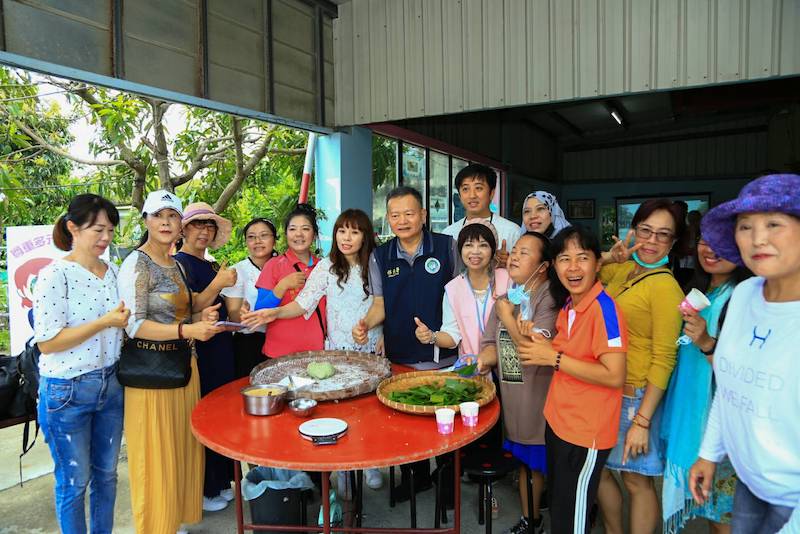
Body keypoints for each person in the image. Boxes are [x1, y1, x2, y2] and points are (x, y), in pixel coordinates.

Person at [689, 174, 800, 534]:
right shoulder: (745, 294)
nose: (758, 238)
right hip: (750, 485)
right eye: (745, 226)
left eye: (774, 224)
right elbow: (732, 387)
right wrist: (709, 452)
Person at [243, 209, 383, 491]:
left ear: (365, 236)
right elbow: (303, 303)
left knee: (369, 409)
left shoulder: (376, 263)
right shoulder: (327, 266)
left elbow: (385, 303)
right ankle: (344, 469)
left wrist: (376, 330)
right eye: (342, 231)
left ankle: (372, 462)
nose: (347, 237)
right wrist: (274, 313)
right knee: (342, 409)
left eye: (355, 232)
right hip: (337, 349)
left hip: (370, 346)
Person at [118, 190, 223, 534]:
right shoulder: (137, 262)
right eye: (158, 216)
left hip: (182, 368)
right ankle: (155, 526)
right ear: (146, 220)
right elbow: (133, 324)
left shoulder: (175, 263)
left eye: (172, 216)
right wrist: (187, 327)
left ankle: (172, 520)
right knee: (155, 456)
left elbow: (182, 311)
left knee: (179, 449)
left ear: (180, 225)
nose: (165, 222)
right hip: (151, 374)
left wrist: (199, 314)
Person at [517, 225, 628, 534]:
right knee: (562, 513)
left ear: (597, 263)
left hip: (585, 433)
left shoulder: (605, 311)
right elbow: (569, 355)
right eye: (565, 259)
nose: (574, 267)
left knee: (572, 523)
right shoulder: (570, 305)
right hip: (559, 423)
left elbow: (614, 374)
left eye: (583, 258)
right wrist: (542, 346)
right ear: (554, 266)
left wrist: (550, 357)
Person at [353, 185, 458, 501]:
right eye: (395, 215)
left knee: (445, 421)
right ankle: (417, 478)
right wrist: (365, 325)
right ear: (388, 218)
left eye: (409, 213)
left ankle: (447, 481)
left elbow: (461, 297)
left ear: (423, 215)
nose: (402, 220)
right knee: (407, 424)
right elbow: (379, 306)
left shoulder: (447, 247)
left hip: (444, 356)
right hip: (400, 359)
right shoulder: (380, 256)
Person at [33, 194, 129, 534]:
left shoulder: (113, 271)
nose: (106, 238)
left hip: (111, 385)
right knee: (74, 482)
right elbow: (48, 341)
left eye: (111, 230)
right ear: (72, 227)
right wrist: (104, 322)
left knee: (107, 476)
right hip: (66, 391)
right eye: (98, 229)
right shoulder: (54, 275)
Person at [595, 199, 685, 534]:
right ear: (633, 230)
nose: (651, 241)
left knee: (636, 480)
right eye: (645, 231)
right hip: (606, 388)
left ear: (673, 244)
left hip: (635, 398)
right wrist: (610, 256)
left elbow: (665, 357)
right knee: (600, 469)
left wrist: (643, 421)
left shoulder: (665, 287)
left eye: (663, 236)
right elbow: (581, 273)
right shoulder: (623, 267)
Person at [660, 236, 751, 534]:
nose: (711, 249)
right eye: (704, 240)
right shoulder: (704, 291)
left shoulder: (742, 297)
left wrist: (706, 342)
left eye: (723, 242)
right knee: (714, 513)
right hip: (699, 420)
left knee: (725, 517)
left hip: (726, 425)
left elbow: (745, 375)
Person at [476, 231, 557, 534]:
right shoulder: (508, 296)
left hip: (539, 396)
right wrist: (482, 360)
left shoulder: (549, 296)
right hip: (512, 396)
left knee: (539, 463)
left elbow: (536, 348)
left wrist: (507, 317)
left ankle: (543, 518)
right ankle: (530, 518)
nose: (515, 257)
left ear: (543, 265)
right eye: (515, 251)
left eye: (525, 252)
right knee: (525, 463)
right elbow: (490, 344)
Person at [174, 202, 238, 512]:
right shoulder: (179, 264)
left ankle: (222, 482)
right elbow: (186, 309)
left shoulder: (212, 265)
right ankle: (206, 488)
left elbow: (213, 305)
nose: (204, 230)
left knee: (223, 415)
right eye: (198, 224)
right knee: (205, 417)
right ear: (184, 229)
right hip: (201, 351)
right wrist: (219, 285)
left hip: (222, 345)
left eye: (209, 226)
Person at [415, 220, 509, 356]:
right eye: (468, 245)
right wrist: (431, 336)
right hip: (472, 368)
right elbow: (452, 336)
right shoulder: (453, 289)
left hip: (507, 366)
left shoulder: (507, 279)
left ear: (493, 250)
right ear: (460, 250)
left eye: (483, 245)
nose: (475, 252)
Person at [249, 204, 326, 358]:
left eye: (305, 228)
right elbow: (260, 309)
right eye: (292, 229)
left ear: (315, 235)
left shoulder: (324, 267)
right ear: (285, 234)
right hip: (279, 353)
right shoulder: (273, 265)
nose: (298, 234)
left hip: (316, 351)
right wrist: (282, 286)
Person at [221, 217, 278, 378]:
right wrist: (242, 313)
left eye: (264, 235)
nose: (257, 241)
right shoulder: (237, 271)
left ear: (274, 239)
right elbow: (234, 315)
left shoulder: (285, 266)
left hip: (283, 339)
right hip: (250, 343)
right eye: (251, 237)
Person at [442, 163, 522, 265]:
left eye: (478, 188)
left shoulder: (512, 231)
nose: (472, 195)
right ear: (460, 195)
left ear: (491, 193)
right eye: (465, 189)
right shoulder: (448, 233)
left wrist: (509, 263)